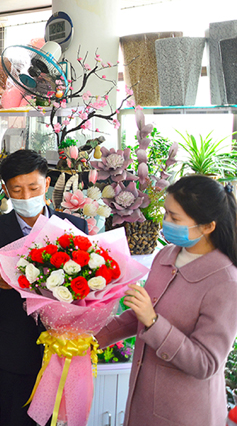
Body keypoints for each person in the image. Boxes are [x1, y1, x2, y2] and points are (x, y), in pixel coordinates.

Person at [96, 175, 237, 426]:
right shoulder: (166, 255)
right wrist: (91, 339)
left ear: (207, 226)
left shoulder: (226, 282)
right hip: (143, 401)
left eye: (175, 218)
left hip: (186, 413)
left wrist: (153, 322)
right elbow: (139, 315)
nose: (166, 222)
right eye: (166, 213)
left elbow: (206, 363)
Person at [0, 149, 88, 426]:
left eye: (33, 188)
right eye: (17, 190)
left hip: (64, 350)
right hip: (13, 351)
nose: (26, 196)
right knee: (15, 419)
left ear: (46, 184)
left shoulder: (74, 226)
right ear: (6, 191)